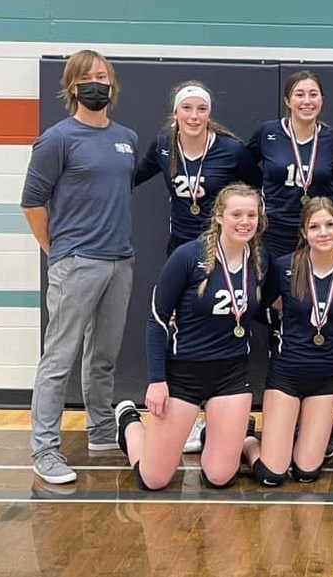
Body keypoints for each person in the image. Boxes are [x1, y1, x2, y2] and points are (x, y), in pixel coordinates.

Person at [21, 49, 138, 484]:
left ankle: (101, 432)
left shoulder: (126, 136)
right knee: (60, 357)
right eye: (88, 76)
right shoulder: (57, 139)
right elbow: (32, 203)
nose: (97, 83)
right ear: (72, 86)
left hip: (119, 261)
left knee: (103, 355)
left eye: (103, 76)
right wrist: (59, 251)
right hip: (76, 262)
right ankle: (45, 449)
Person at [113, 183, 267, 490]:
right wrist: (157, 380)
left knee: (220, 477)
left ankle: (219, 433)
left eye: (251, 214)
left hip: (232, 375)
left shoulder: (259, 262)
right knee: (153, 480)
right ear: (220, 217)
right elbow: (157, 319)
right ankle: (129, 423)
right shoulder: (188, 256)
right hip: (183, 374)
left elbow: (268, 310)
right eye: (237, 214)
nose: (245, 221)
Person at [242, 198, 333, 486]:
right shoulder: (285, 267)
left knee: (306, 474)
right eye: (314, 227)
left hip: (326, 379)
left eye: (330, 225)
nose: (323, 232)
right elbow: (259, 308)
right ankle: (248, 440)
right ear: (304, 232)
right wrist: (280, 324)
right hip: (286, 374)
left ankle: (328, 431)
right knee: (273, 475)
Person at [136, 80, 258, 254]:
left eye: (202, 109)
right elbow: (135, 177)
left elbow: (255, 188)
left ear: (208, 114)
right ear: (175, 113)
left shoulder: (232, 150)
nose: (194, 116)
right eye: (186, 108)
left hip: (221, 245)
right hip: (180, 245)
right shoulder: (163, 145)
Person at [248, 71, 333, 259]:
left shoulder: (329, 138)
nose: (307, 101)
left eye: (313, 94)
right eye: (299, 94)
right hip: (274, 231)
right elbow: (246, 166)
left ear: (322, 100)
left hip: (316, 232)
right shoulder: (269, 132)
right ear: (287, 100)